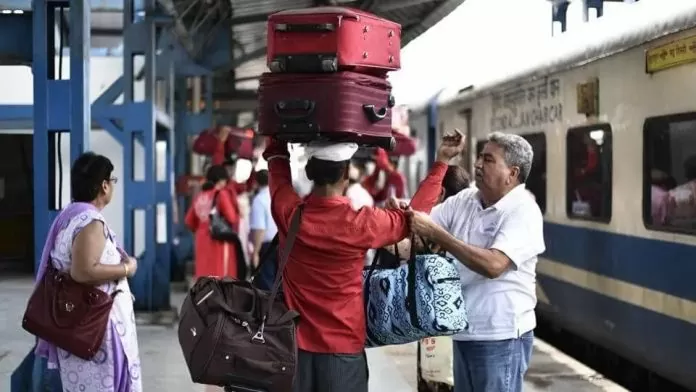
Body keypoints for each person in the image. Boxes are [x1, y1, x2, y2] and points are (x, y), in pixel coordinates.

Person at [262, 130, 465, 392]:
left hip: (293, 349)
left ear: (309, 173)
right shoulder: (363, 222)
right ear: (346, 174)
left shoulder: (289, 213)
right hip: (343, 350)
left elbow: (277, 168)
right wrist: (442, 162)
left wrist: (277, 136)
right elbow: (416, 216)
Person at [405, 131, 545, 392]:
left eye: (489, 160)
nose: (478, 165)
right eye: (480, 157)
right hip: (465, 331)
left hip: (500, 337)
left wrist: (437, 235)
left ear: (512, 174)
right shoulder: (466, 200)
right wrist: (399, 221)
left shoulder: (523, 210)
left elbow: (494, 265)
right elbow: (420, 228)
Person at [33, 152, 142, 391]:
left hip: (80, 323)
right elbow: (83, 272)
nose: (112, 186)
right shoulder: (90, 222)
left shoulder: (69, 216)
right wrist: (127, 268)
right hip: (96, 328)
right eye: (112, 181)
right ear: (104, 186)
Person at [185, 165, 244, 279]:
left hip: (201, 241)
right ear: (222, 179)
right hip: (218, 242)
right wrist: (238, 213)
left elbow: (189, 221)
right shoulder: (221, 194)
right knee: (221, 279)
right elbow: (232, 218)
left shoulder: (200, 196)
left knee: (205, 279)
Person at [248, 169, 278, 290]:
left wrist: (255, 252)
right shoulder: (277, 197)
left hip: (267, 247)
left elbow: (260, 229)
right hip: (283, 243)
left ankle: (269, 308)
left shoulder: (259, 200)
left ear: (256, 182)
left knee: (266, 284)